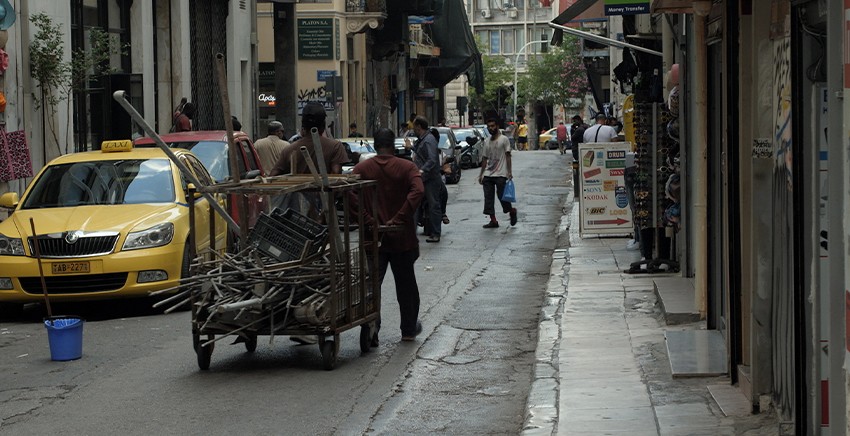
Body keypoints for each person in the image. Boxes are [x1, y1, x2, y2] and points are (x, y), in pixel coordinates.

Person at [351, 128, 425, 343]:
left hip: (373, 238)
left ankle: (372, 328)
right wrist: (400, 218)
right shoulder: (407, 167)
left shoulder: (362, 168)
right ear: (394, 146)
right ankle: (409, 330)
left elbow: (349, 193)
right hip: (402, 238)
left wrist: (367, 219)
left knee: (372, 285)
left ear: (375, 145)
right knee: (406, 286)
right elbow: (418, 190)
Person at [269, 102, 348, 177]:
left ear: (303, 127)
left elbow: (273, 176)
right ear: (323, 125)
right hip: (324, 190)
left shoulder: (289, 149)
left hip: (297, 190)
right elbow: (336, 174)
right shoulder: (336, 147)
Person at [404, 116, 442, 243]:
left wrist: (422, 170)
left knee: (433, 205)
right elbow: (421, 154)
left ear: (419, 127)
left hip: (430, 179)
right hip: (422, 178)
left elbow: (432, 159)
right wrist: (411, 147)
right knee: (415, 204)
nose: (413, 129)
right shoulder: (423, 140)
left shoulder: (429, 140)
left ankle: (436, 233)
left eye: (414, 126)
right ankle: (411, 233)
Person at [478, 117, 516, 228]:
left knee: (502, 196)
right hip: (488, 174)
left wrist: (509, 172)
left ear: (497, 126)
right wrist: (481, 175)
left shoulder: (504, 139)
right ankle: (493, 220)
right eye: (489, 126)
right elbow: (484, 159)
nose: (491, 128)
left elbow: (508, 156)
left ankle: (511, 211)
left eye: (493, 126)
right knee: (488, 198)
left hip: (501, 174)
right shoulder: (487, 141)